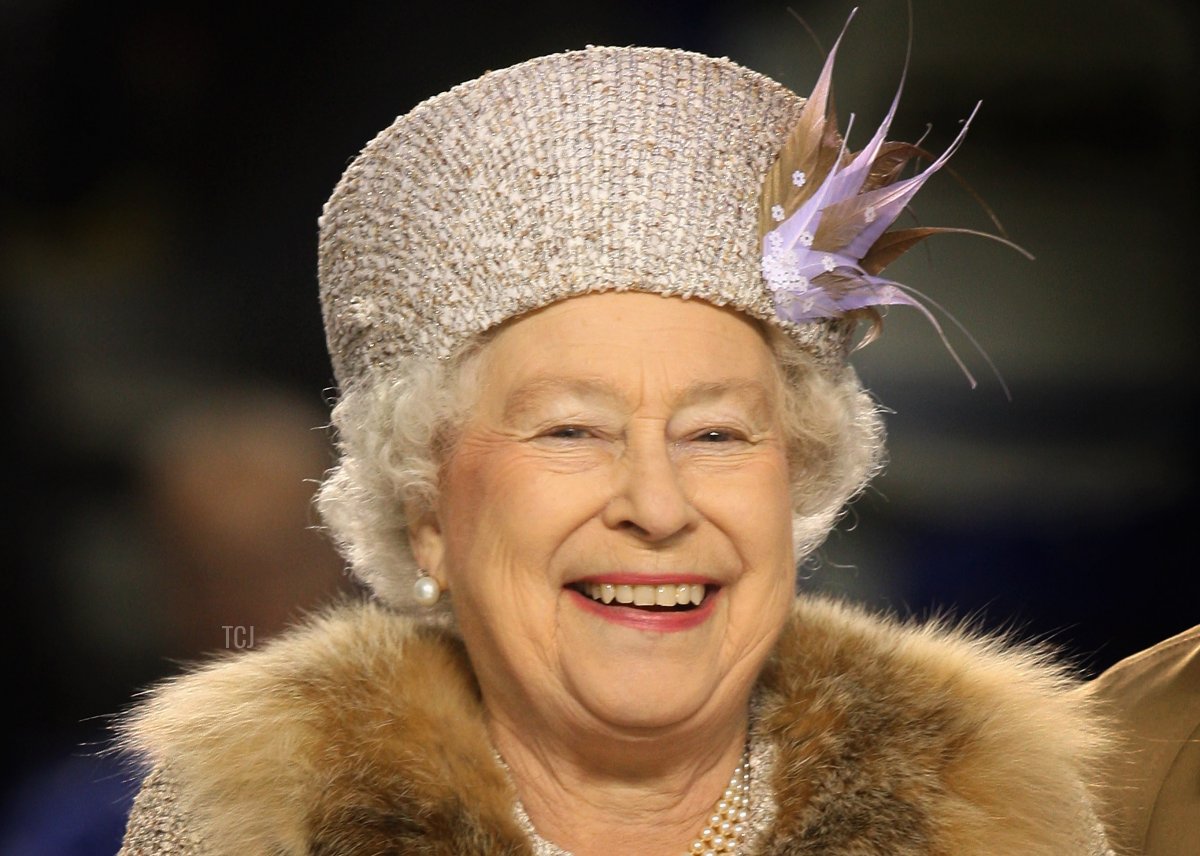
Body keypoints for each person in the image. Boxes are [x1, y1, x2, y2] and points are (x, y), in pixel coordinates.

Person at [116, 16, 1115, 855]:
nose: (657, 504)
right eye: (572, 431)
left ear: (796, 483)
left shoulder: (990, 814)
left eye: (716, 434)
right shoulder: (257, 822)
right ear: (425, 513)